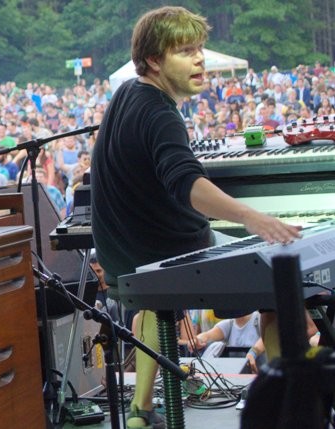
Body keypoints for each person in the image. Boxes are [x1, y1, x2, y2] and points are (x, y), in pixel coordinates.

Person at [90, 7, 301, 428]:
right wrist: (253, 218)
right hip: (171, 257)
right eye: (186, 51)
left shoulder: (128, 93)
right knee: (279, 282)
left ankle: (141, 409)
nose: (200, 59)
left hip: (127, 258)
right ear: (154, 60)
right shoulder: (160, 113)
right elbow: (187, 183)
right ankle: (291, 409)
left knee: (153, 305)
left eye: (199, 48)